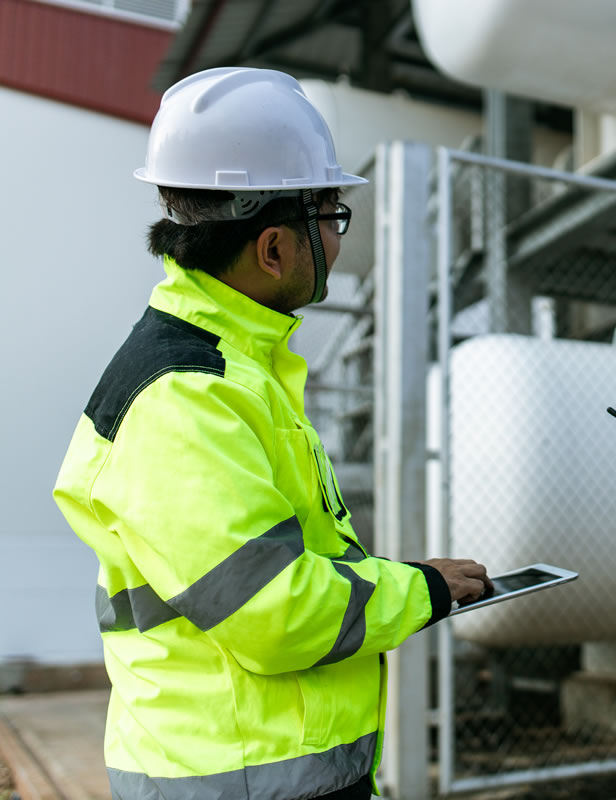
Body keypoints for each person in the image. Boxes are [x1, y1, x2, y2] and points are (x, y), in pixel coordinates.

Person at [53, 67, 491, 800]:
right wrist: (421, 589)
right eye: (332, 215)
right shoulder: (185, 397)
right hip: (236, 782)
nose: (338, 238)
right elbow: (274, 611)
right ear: (274, 249)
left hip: (266, 771)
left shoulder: (234, 370)